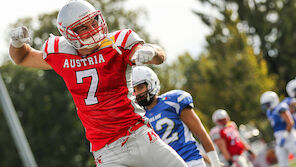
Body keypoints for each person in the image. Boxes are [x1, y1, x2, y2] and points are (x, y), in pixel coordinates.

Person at [9, 1, 188, 166]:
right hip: (106, 150)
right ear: (69, 34)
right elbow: (23, 57)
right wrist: (16, 42)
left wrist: (151, 51)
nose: (93, 29)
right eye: (84, 27)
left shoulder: (117, 43)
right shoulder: (60, 53)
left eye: (94, 22)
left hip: (138, 134)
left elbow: (159, 56)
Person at [132, 66, 222, 167]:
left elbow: (200, 132)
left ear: (152, 84)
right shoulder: (138, 117)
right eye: (134, 90)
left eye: (140, 87)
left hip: (190, 161)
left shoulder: (173, 101)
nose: (137, 93)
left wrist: (215, 162)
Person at [260, 91, 296, 167]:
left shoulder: (280, 108)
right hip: (279, 138)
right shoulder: (269, 112)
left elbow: (290, 123)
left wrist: (285, 136)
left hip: (289, 135)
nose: (266, 107)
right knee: (282, 161)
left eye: (267, 104)